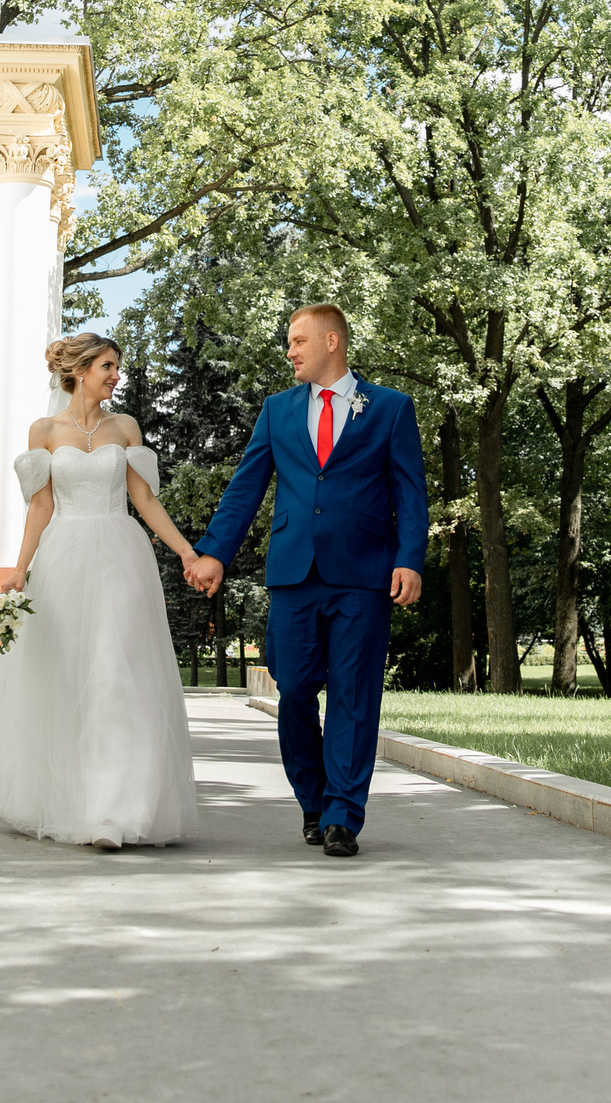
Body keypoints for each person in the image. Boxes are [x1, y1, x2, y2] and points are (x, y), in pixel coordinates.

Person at [185, 303, 428, 858]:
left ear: (332, 341)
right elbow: (246, 488)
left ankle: (343, 813)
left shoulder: (390, 408)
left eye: (298, 341)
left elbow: (410, 493)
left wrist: (410, 558)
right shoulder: (277, 411)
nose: (290, 351)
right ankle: (312, 796)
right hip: (294, 573)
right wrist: (216, 554)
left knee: (354, 695)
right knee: (294, 689)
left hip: (365, 574)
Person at [0, 333, 200, 849]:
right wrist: (19, 570)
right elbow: (40, 508)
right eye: (107, 366)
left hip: (121, 555)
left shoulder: (125, 428)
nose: (115, 375)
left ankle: (113, 810)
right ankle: (72, 800)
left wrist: (186, 552)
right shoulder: (45, 431)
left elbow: (144, 501)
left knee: (116, 674)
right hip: (63, 559)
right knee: (70, 674)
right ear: (80, 371)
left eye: (116, 367)